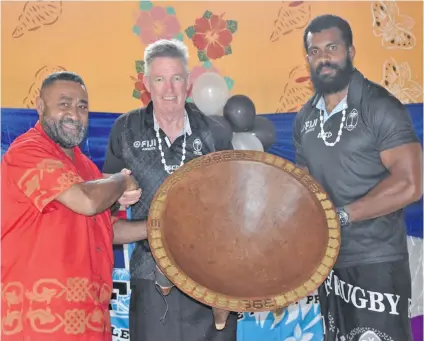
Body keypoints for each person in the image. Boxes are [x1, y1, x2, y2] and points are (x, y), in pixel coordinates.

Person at [293, 14, 422, 341]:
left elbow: (410, 184)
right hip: (328, 262)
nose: (323, 57)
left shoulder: (380, 107)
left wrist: (341, 216)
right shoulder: (305, 118)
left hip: (377, 260)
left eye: (332, 48)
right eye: (315, 51)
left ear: (350, 51)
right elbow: (307, 189)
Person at [102, 39, 237, 341]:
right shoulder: (125, 130)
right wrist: (117, 193)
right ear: (147, 83)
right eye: (160, 79)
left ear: (188, 84)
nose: (169, 89)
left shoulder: (214, 130)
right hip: (149, 273)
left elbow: (233, 204)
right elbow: (103, 213)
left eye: (176, 78)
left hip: (210, 274)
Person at [1, 71, 147, 341]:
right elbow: (88, 202)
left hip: (91, 321)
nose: (74, 114)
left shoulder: (84, 166)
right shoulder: (27, 151)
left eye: (82, 106)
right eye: (64, 104)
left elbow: (106, 229)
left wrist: (158, 226)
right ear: (40, 106)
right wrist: (120, 180)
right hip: (39, 322)